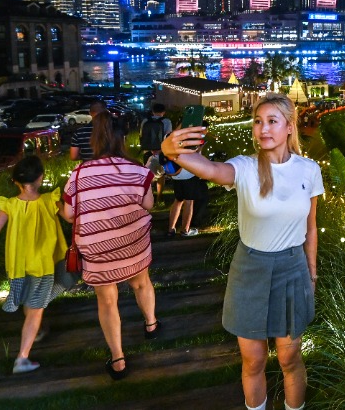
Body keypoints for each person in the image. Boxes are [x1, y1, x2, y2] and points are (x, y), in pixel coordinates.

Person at [161, 92, 322, 410]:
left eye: (272, 122)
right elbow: (207, 169)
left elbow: (311, 228)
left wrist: (311, 273)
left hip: (292, 269)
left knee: (290, 358)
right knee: (253, 361)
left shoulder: (309, 170)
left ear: (289, 127)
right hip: (250, 269)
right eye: (258, 122)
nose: (263, 129)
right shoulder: (245, 168)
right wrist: (171, 151)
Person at [61, 111, 158, 380]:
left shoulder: (78, 174)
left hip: (98, 249)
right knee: (142, 283)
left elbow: (69, 215)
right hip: (132, 244)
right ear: (122, 140)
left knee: (107, 301)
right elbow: (148, 204)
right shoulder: (138, 170)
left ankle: (118, 360)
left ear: (94, 142)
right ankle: (151, 324)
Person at [0, 155, 74, 374]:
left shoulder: (11, 205)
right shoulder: (49, 200)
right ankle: (22, 358)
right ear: (41, 177)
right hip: (42, 265)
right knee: (37, 307)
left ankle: (37, 328)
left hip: (18, 265)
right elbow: (71, 218)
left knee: (31, 302)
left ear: (16, 181)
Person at [164, 159, 209, 237]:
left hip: (176, 175)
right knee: (189, 201)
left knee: (178, 200)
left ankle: (170, 230)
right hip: (188, 174)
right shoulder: (190, 146)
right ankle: (185, 230)